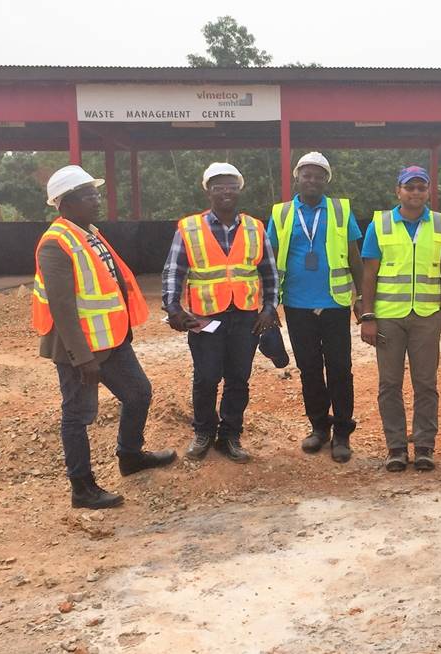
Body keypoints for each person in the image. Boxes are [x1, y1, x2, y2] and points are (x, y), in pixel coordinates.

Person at [32, 165, 176, 509]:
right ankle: (82, 488)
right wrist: (82, 358)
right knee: (78, 415)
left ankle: (130, 456)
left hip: (111, 340)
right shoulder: (55, 244)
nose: (97, 199)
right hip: (78, 349)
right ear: (66, 202)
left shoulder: (89, 233)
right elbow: (63, 307)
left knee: (138, 393)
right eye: (88, 195)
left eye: (95, 193)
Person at [162, 162, 279, 464]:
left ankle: (230, 435)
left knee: (239, 378)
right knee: (206, 377)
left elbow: (268, 271)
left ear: (239, 190)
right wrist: (173, 308)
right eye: (218, 186)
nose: (225, 191)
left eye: (231, 186)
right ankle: (203, 433)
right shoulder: (189, 228)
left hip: (246, 316)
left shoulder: (255, 227)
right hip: (205, 317)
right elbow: (174, 270)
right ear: (208, 192)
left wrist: (269, 308)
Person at [359, 165, 441, 472]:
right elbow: (370, 273)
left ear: (429, 191)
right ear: (398, 191)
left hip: (427, 316)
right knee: (389, 383)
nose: (415, 192)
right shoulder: (381, 223)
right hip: (388, 317)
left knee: (425, 383)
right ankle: (396, 447)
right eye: (409, 187)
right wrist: (368, 315)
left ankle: (425, 445)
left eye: (421, 187)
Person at [267, 152, 364, 463]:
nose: (312, 180)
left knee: (339, 369)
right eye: (306, 174)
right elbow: (270, 260)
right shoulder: (281, 213)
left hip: (334, 303)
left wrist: (361, 296)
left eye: (318, 175)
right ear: (297, 177)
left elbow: (354, 256)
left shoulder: (340, 210)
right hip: (296, 304)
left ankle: (342, 433)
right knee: (309, 369)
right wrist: (269, 302)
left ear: (326, 180)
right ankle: (319, 428)